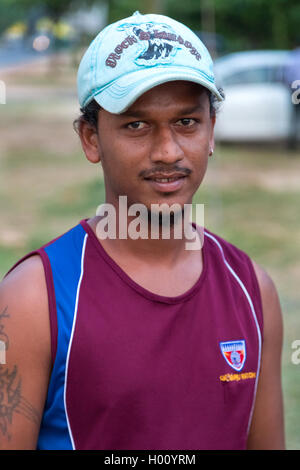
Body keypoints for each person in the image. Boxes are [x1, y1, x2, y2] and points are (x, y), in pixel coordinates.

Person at [0, 11, 285, 450]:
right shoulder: (34, 300)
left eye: (187, 122)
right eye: (136, 125)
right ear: (90, 138)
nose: (168, 151)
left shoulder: (251, 290)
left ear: (212, 129)